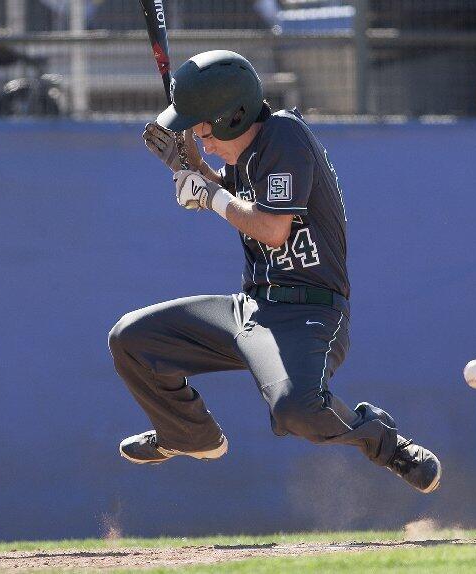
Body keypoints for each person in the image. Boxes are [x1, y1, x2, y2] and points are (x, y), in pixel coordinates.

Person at [111, 50, 442, 493]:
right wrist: (192, 169)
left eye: (203, 126)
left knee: (296, 410)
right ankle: (190, 435)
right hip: (251, 309)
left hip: (309, 314)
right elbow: (238, 197)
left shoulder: (284, 136)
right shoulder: (245, 157)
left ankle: (384, 442)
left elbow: (271, 228)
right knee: (132, 338)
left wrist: (208, 194)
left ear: (234, 116)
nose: (199, 136)